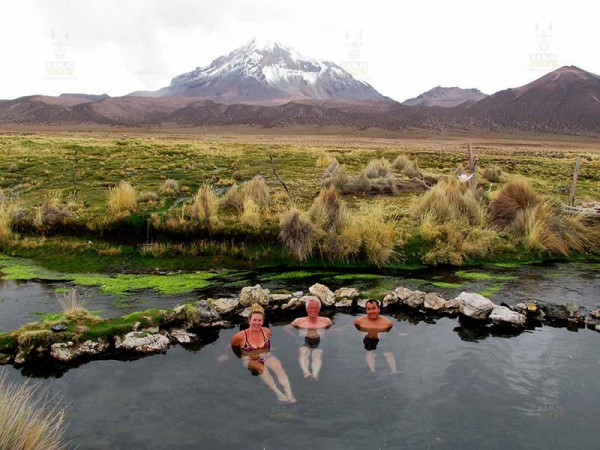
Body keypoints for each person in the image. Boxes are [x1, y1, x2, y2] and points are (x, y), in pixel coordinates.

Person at [219, 304, 296, 403]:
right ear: (249, 320)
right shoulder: (240, 336)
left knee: (278, 367)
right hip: (249, 359)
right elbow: (231, 345)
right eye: (254, 320)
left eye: (259, 320)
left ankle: (289, 393)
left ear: (263, 321)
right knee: (261, 368)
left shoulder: (266, 332)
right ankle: (278, 393)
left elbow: (267, 345)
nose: (257, 323)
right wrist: (226, 354)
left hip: (266, 356)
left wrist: (269, 350)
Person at [288, 297, 332, 380]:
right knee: (304, 352)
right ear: (307, 309)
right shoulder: (299, 321)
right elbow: (286, 328)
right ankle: (306, 372)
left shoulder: (326, 321)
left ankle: (315, 374)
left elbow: (331, 329)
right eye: (311, 308)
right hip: (303, 338)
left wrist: (327, 335)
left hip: (320, 339)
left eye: (316, 308)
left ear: (319, 309)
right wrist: (294, 336)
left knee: (317, 354)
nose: (313, 310)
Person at [354, 299, 398, 374]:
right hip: (368, 338)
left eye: (373, 308)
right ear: (366, 310)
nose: (371, 311)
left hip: (382, 339)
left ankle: (394, 370)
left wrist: (399, 333)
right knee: (369, 351)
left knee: (388, 352)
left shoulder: (387, 323)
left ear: (379, 309)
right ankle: (372, 370)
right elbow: (352, 329)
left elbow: (393, 331)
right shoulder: (359, 321)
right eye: (369, 309)